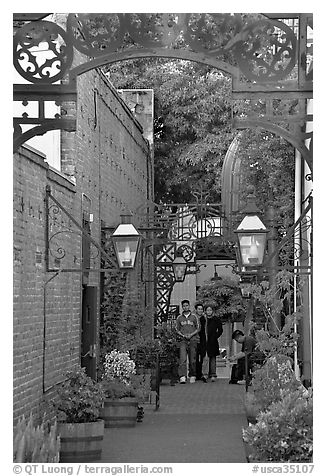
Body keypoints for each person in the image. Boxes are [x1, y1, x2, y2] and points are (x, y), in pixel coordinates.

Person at [175, 299, 200, 384]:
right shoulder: (179, 318)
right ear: (182, 307)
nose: (185, 307)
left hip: (193, 339)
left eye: (187, 305)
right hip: (183, 340)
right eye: (184, 306)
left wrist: (191, 334)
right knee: (183, 358)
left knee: (192, 358)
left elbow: (198, 328)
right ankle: (182, 376)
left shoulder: (194, 316)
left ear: (189, 306)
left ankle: (192, 375)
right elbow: (176, 329)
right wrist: (183, 335)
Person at [198, 303, 223, 383]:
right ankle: (204, 374)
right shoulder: (202, 319)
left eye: (210, 310)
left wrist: (215, 336)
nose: (209, 312)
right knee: (205, 358)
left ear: (212, 311)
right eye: (207, 310)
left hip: (213, 342)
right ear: (205, 311)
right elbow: (199, 329)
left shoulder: (216, 319)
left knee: (212, 358)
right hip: (204, 341)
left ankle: (213, 374)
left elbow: (220, 330)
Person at [194, 302, 205, 380]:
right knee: (195, 357)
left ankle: (202, 373)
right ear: (196, 310)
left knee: (203, 357)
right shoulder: (194, 318)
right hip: (195, 339)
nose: (200, 310)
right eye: (199, 309)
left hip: (204, 340)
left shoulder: (205, 318)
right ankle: (196, 374)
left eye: (201, 309)